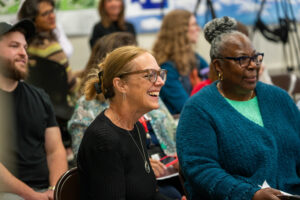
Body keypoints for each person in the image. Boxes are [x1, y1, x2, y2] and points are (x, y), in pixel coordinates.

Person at [176, 16, 300, 200]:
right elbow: (201, 169)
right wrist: (251, 194)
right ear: (219, 65)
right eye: (242, 59)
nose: (253, 66)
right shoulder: (198, 109)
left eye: (255, 58)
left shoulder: (279, 98)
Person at [69, 33, 182, 199]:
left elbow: (150, 195)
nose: (160, 82)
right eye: (149, 75)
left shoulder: (134, 127)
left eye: (160, 74)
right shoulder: (104, 140)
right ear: (121, 84)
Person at [0, 19, 67, 200]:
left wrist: (55, 189)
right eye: (14, 46)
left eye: (25, 48)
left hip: (45, 190)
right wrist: (31, 195)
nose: (23, 53)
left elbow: (55, 150)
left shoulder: (39, 96)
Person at [152, 9, 209, 115]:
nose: (198, 28)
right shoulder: (165, 67)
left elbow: (214, 79)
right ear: (180, 30)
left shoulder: (193, 57)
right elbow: (185, 107)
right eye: (194, 24)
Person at [18, 0, 81, 89]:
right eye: (45, 14)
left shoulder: (27, 46)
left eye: (52, 11)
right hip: (62, 100)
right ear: (33, 20)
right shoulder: (51, 48)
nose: (52, 16)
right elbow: (72, 85)